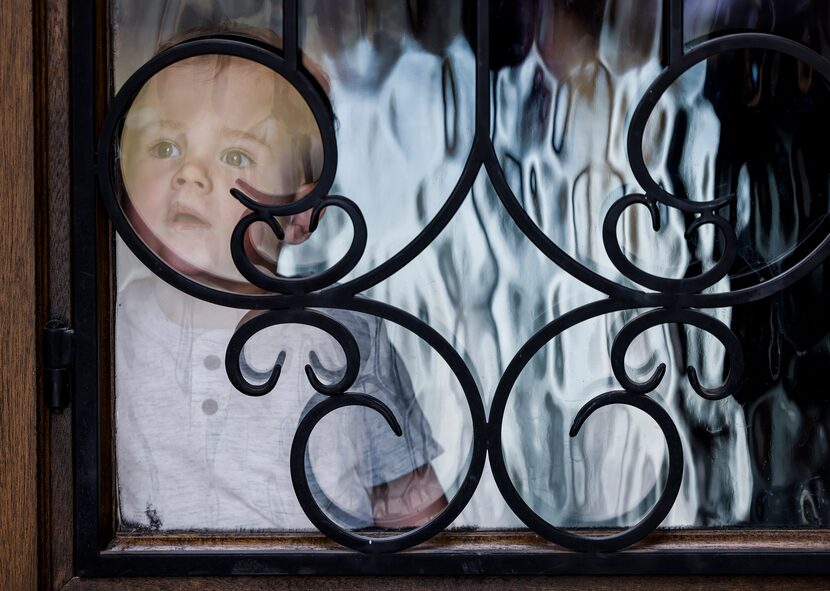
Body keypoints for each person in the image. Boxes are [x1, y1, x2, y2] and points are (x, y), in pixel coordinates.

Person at [114, 30, 447, 531]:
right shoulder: (110, 322)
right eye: (165, 146)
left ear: (299, 213)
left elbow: (415, 520)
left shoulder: (344, 336)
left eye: (235, 156)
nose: (190, 175)